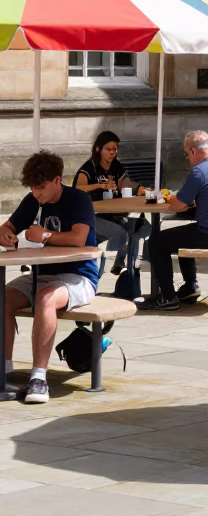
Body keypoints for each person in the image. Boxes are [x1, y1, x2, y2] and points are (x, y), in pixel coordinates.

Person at [0, 150, 99, 405]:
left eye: (41, 187)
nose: (36, 193)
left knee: (45, 298)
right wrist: (5, 235)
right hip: (40, 275)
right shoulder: (32, 200)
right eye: (32, 187)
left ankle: (39, 377)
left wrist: (44, 236)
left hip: (79, 276)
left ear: (57, 180)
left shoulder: (79, 200)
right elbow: (6, 227)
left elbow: (78, 239)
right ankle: (5, 369)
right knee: (3, 298)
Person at [141, 131, 208, 311]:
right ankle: (190, 287)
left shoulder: (199, 172)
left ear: (192, 151)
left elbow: (179, 205)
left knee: (156, 242)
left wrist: (167, 198)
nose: (187, 159)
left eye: (186, 154)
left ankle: (168, 297)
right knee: (184, 234)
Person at [73, 129, 150, 274]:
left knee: (142, 227)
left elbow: (124, 184)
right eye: (108, 149)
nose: (112, 153)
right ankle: (112, 263)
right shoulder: (88, 168)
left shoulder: (116, 166)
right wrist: (100, 186)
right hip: (90, 215)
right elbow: (77, 189)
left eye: (115, 149)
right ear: (98, 149)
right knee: (121, 232)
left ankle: (126, 267)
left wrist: (140, 189)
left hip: (112, 213)